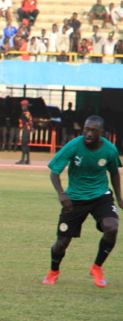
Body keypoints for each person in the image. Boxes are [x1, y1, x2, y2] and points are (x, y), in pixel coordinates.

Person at [43, 115, 122, 288]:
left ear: (102, 133)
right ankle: (54, 270)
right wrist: (62, 194)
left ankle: (97, 267)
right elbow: (54, 172)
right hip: (75, 199)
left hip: (101, 196)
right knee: (61, 243)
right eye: (86, 129)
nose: (88, 133)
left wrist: (119, 198)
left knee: (112, 227)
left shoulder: (109, 150)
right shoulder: (73, 145)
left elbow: (114, 173)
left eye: (94, 130)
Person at [15, 99, 33, 164]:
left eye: (23, 106)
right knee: (25, 144)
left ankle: (23, 159)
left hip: (26, 129)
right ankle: (27, 160)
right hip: (24, 128)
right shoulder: (23, 113)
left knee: (24, 144)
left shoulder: (27, 113)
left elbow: (30, 121)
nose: (22, 107)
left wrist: (32, 128)